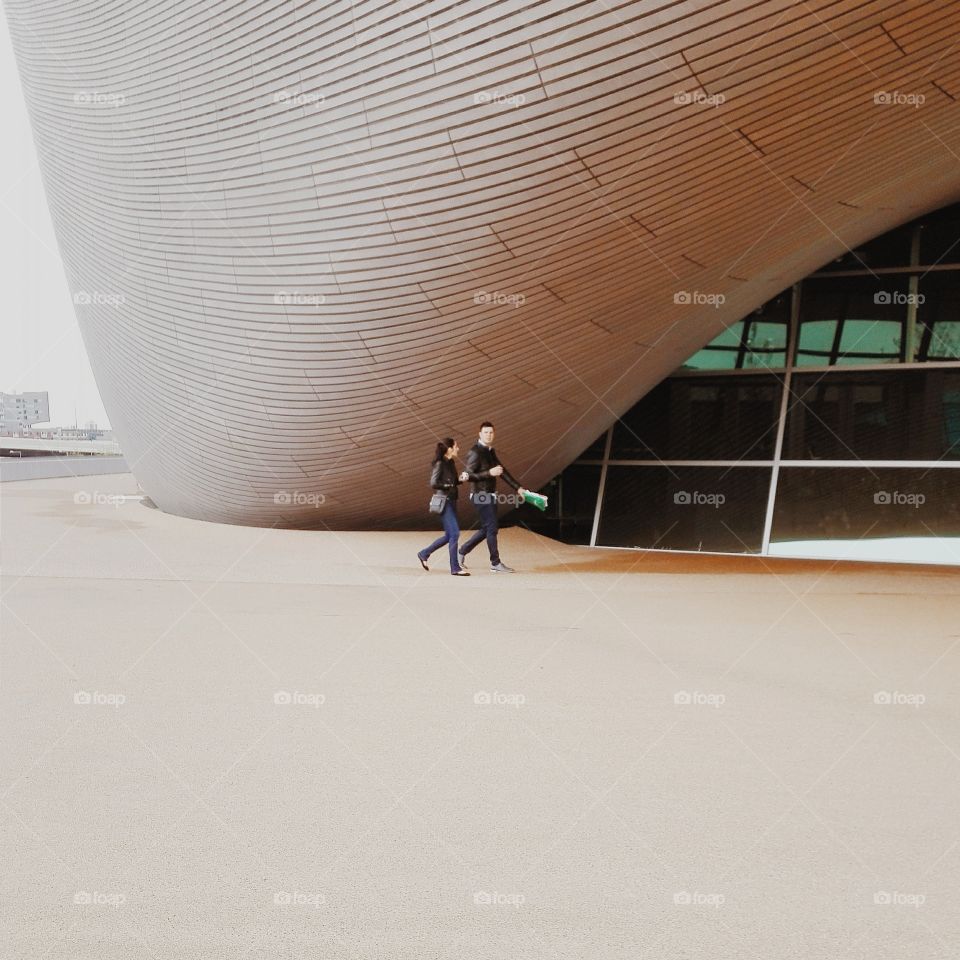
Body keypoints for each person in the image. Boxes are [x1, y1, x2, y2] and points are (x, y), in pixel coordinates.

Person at [458, 422, 527, 573]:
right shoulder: (475, 452)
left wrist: (518, 488)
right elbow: (467, 476)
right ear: (480, 434)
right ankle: (495, 563)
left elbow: (502, 471)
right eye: (486, 432)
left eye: (491, 432)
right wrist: (489, 473)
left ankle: (462, 552)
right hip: (479, 495)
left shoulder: (490, 451)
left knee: (487, 528)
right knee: (492, 528)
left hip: (490, 495)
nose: (489, 435)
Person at [417, 438, 470, 576]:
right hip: (444, 501)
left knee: (449, 535)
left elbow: (451, 481)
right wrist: (449, 485)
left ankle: (424, 553)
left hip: (452, 501)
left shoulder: (451, 462)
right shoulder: (440, 463)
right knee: (455, 533)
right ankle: (455, 568)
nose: (458, 449)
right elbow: (434, 483)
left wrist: (460, 480)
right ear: (449, 449)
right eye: (456, 446)